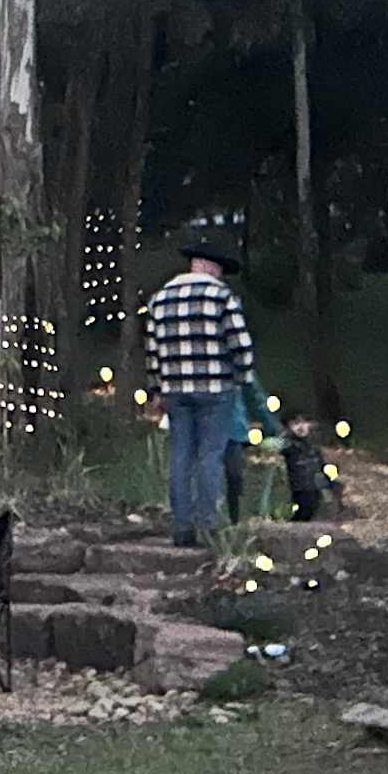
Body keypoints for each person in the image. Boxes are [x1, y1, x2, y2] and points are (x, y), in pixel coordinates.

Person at [141, 237, 259, 553]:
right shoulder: (221, 297)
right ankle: (207, 526)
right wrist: (242, 378)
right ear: (211, 266)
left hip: (176, 391)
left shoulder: (160, 299)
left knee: (181, 456)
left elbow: (151, 351)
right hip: (216, 389)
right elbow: (241, 346)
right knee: (210, 456)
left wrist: (157, 388)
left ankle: (181, 527)